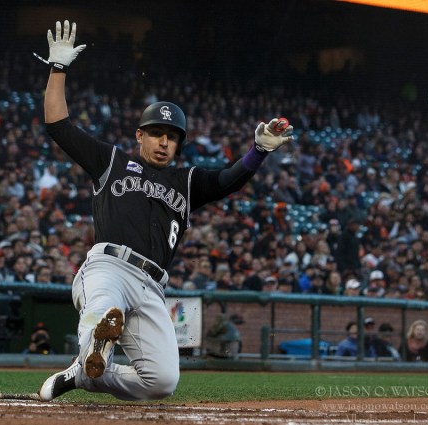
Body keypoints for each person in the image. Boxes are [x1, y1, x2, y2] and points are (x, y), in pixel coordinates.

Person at [36, 20, 294, 402]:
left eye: (172, 137)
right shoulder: (112, 162)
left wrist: (259, 151)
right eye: (156, 133)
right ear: (139, 135)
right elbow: (59, 126)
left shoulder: (186, 181)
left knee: (161, 382)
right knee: (102, 309)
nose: (164, 141)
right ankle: (94, 349)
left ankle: (87, 374)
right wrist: (58, 68)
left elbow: (228, 180)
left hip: (152, 286)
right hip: (109, 268)